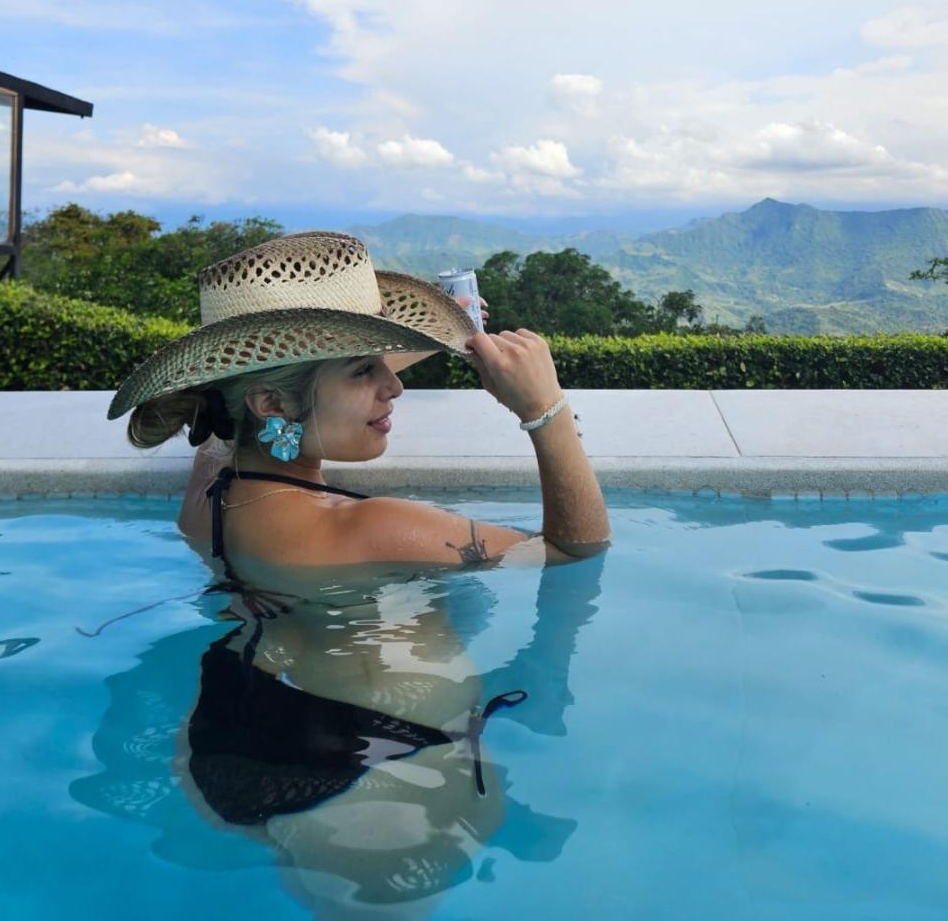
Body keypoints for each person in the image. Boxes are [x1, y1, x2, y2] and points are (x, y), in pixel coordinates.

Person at [106, 229, 610, 916]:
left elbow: (262, 404)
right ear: (269, 404)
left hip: (230, 743)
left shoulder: (210, 495)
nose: (394, 387)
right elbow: (578, 550)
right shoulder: (377, 530)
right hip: (386, 782)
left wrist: (394, 354)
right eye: (365, 372)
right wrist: (543, 408)